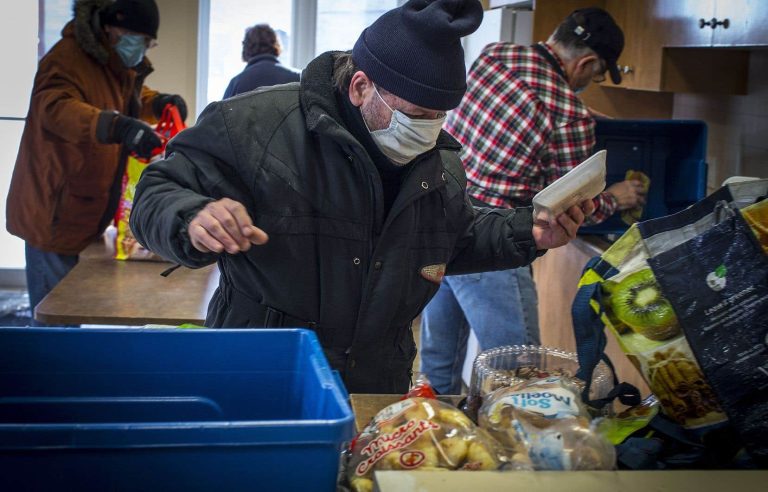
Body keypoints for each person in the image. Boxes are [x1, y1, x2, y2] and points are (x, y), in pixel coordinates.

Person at [129, 0, 594, 394]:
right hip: (262, 375)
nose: (428, 130)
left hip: (374, 388)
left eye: (438, 117)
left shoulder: (437, 160)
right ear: (360, 86)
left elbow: (450, 239)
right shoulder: (254, 125)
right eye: (415, 114)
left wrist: (526, 230)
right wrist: (192, 215)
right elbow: (155, 193)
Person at [419, 7, 647, 395]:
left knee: (438, 367)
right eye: (594, 75)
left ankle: (438, 443)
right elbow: (573, 207)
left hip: (435, 219)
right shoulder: (569, 113)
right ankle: (516, 453)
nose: (589, 82)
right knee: (520, 379)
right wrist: (616, 197)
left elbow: (520, 105)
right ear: (587, 62)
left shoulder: (496, 56)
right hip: (491, 240)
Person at [5, 0, 188, 316]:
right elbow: (54, 108)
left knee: (72, 313)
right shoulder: (67, 58)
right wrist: (115, 126)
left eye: (148, 42)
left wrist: (158, 103)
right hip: (53, 211)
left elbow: (125, 97)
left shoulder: (111, 61)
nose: (142, 48)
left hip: (84, 210)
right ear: (110, 26)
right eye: (139, 38)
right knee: (55, 318)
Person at [223, 23, 300, 99]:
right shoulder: (298, 78)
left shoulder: (236, 83)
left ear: (246, 48)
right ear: (275, 44)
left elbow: (221, 111)